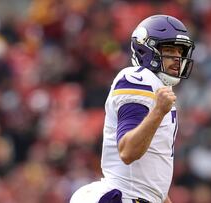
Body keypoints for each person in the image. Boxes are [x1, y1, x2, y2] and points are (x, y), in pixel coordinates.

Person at [70, 15, 195, 203]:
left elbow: (151, 181)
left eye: (180, 51)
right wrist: (158, 112)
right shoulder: (138, 79)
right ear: (146, 51)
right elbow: (128, 152)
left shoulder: (160, 89)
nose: (177, 58)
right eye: (169, 50)